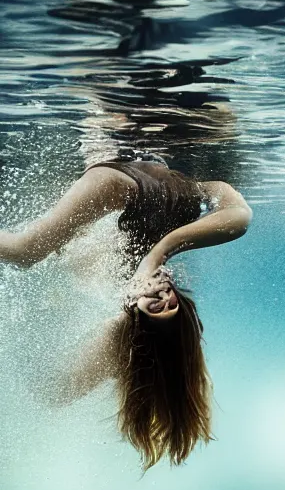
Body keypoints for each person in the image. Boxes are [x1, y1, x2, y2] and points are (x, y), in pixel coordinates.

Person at [0, 151, 252, 470]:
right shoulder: (190, 201)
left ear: (134, 306)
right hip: (127, 184)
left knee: (34, 255)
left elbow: (57, 392)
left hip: (124, 181)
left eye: (156, 303)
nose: (164, 290)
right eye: (172, 300)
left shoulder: (123, 319)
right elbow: (240, 217)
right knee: (25, 252)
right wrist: (156, 256)